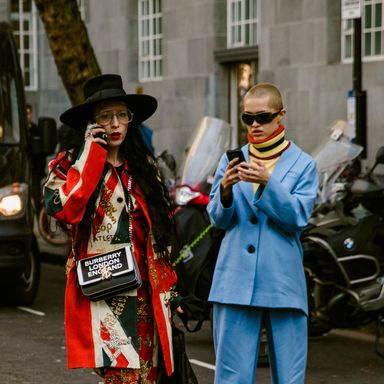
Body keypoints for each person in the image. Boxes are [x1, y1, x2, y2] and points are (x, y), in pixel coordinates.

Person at [43, 74, 180, 383]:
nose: (115, 124)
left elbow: (161, 234)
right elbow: (64, 209)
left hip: (149, 295)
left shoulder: (144, 167)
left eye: (121, 115)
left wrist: (172, 289)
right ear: (91, 123)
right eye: (105, 117)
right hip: (105, 294)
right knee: (123, 378)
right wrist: (92, 155)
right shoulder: (68, 166)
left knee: (152, 377)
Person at [207, 83, 319, 383]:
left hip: (282, 281)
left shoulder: (305, 164)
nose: (255, 125)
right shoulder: (230, 159)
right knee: (231, 375)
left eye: (263, 117)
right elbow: (218, 219)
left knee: (289, 376)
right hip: (233, 281)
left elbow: (298, 218)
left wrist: (269, 184)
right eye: (248, 118)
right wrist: (226, 192)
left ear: (281, 115)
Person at [26, 103, 45, 213]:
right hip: (23, 166)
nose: (27, 116)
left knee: (36, 196)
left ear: (31, 114)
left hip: (35, 169)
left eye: (28, 113)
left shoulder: (36, 130)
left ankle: (41, 221)